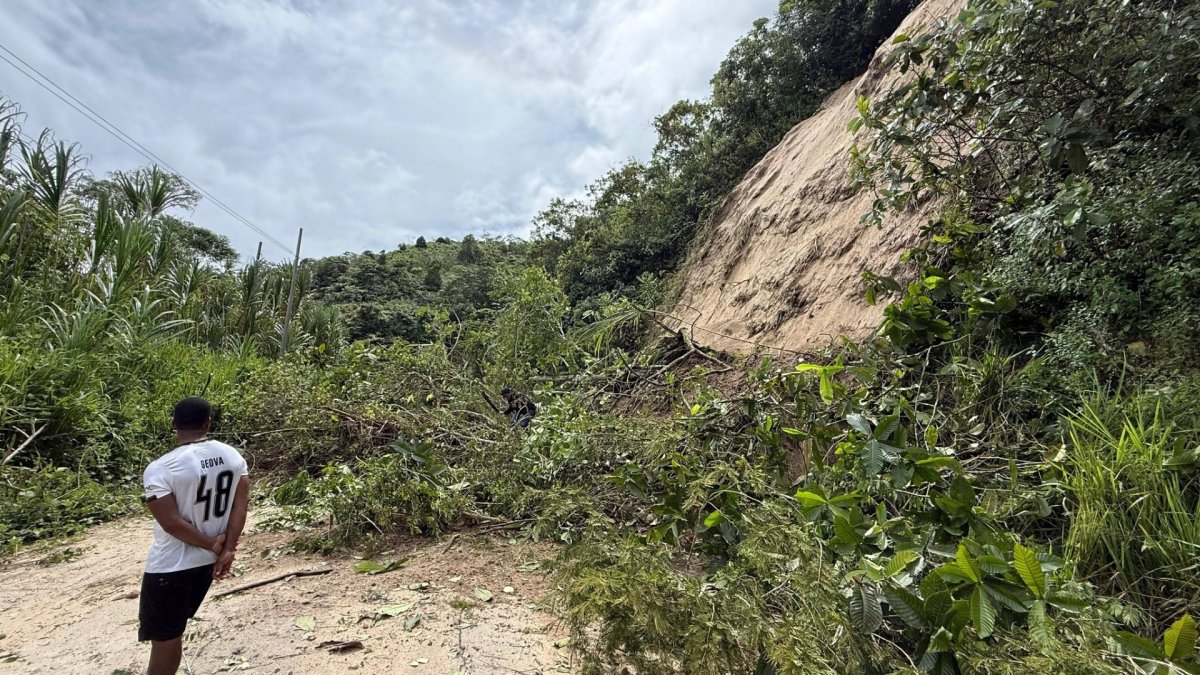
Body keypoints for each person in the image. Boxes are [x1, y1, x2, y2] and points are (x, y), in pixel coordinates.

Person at [140, 397, 250, 675]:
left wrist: (211, 544)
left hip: (171, 566)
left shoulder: (161, 468)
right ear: (208, 423)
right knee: (173, 632)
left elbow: (172, 523)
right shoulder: (233, 457)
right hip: (207, 562)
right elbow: (240, 505)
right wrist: (227, 549)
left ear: (173, 425)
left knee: (165, 638)